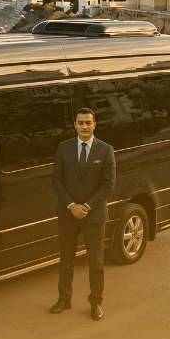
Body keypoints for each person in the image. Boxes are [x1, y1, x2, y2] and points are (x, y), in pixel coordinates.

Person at [49, 108, 116, 321]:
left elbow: (108, 184)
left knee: (96, 263)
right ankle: (64, 299)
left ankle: (96, 303)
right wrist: (71, 205)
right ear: (74, 125)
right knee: (65, 260)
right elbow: (56, 180)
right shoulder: (63, 148)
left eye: (88, 123)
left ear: (95, 124)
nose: (84, 127)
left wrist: (86, 206)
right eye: (80, 123)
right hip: (68, 214)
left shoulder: (106, 150)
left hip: (94, 216)